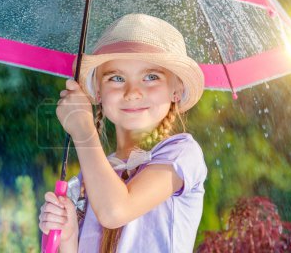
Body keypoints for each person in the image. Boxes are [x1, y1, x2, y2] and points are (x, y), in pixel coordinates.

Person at [38, 14, 208, 252]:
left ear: (176, 89)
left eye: (151, 77)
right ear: (98, 91)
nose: (132, 92)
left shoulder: (180, 155)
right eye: (117, 78)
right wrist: (67, 236)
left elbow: (115, 210)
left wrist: (84, 130)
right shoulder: (85, 183)